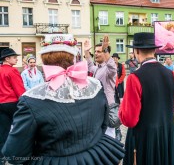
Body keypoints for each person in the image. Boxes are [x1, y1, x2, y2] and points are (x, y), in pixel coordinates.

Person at [1, 34, 124, 165]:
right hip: (94, 155)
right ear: (73, 59)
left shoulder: (31, 100)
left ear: (44, 61)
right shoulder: (95, 87)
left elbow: (16, 154)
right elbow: (103, 125)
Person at [119, 32, 174, 165]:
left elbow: (129, 119)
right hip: (167, 134)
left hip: (144, 137)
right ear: (154, 50)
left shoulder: (134, 77)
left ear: (136, 51)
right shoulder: (171, 74)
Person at [84, 36, 117, 137]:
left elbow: (112, 67)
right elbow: (90, 65)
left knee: (109, 136)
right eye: (96, 51)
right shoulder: (97, 68)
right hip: (99, 107)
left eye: (99, 51)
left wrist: (106, 49)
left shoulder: (109, 69)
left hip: (108, 108)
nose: (96, 54)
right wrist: (86, 51)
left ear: (105, 54)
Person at [0, 48, 25, 164]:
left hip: (1, 104)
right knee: (21, 129)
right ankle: (17, 156)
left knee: (3, 131)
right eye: (14, 57)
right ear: (7, 59)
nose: (16, 59)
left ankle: (2, 158)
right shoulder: (12, 71)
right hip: (12, 103)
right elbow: (19, 89)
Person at [112, 53, 125, 142]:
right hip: (113, 84)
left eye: (116, 58)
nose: (115, 59)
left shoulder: (121, 65)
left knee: (120, 95)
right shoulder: (111, 65)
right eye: (114, 58)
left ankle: (120, 106)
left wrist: (119, 81)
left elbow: (123, 74)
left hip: (119, 84)